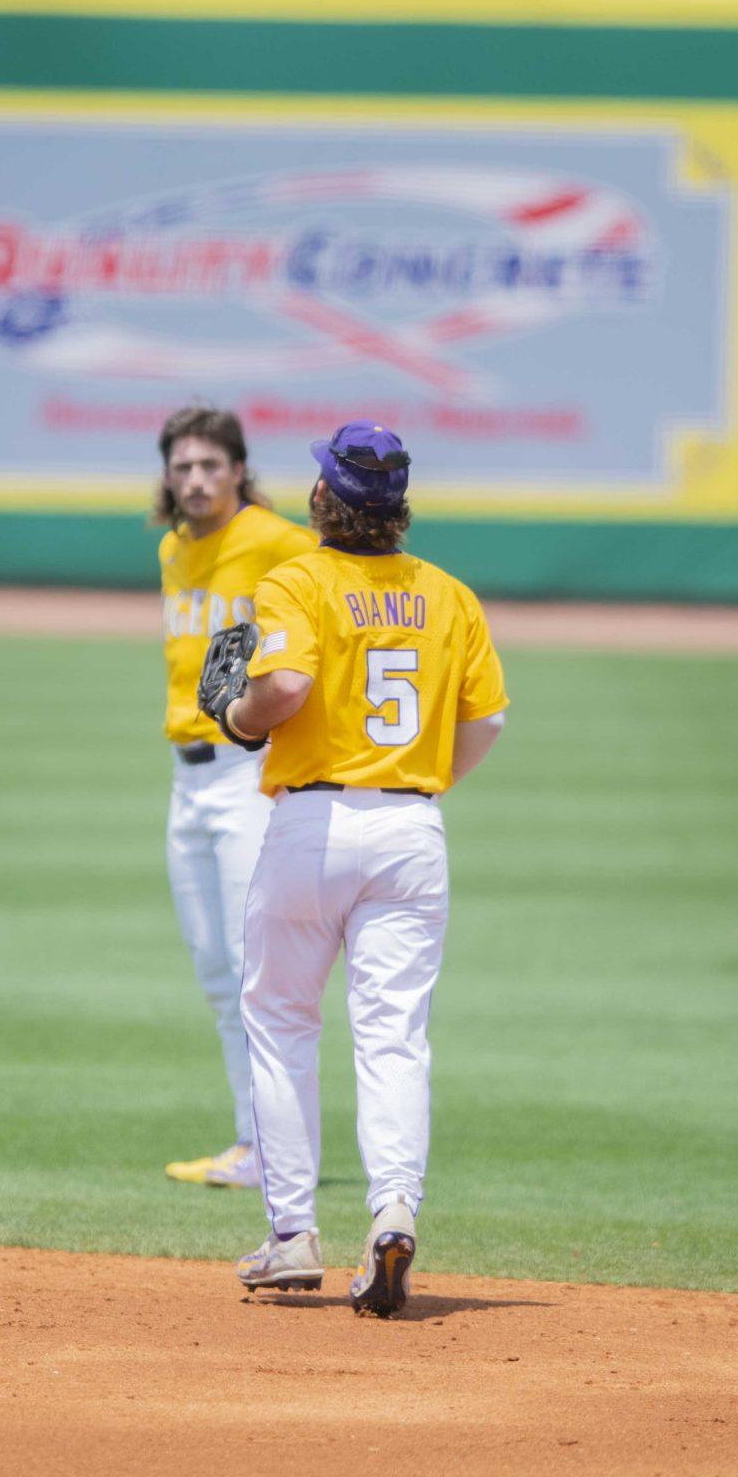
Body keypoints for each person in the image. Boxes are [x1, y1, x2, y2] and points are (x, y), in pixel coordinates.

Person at [197, 421, 508, 1317]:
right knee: (394, 1036)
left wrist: (239, 713)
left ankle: (293, 1234)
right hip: (412, 828)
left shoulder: (297, 577)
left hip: (313, 825)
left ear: (324, 499)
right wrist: (412, 783)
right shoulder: (449, 595)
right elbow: (485, 724)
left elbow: (283, 691)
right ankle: (392, 1213)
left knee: (282, 1019)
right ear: (401, 507)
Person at [151, 407, 318, 1191]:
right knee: (218, 973)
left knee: (257, 970)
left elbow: (336, 594)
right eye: (182, 466)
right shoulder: (173, 549)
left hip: (246, 772)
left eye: (210, 465)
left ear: (239, 470)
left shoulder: (277, 540)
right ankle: (255, 1143)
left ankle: (281, 1152)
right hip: (186, 779)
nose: (195, 480)